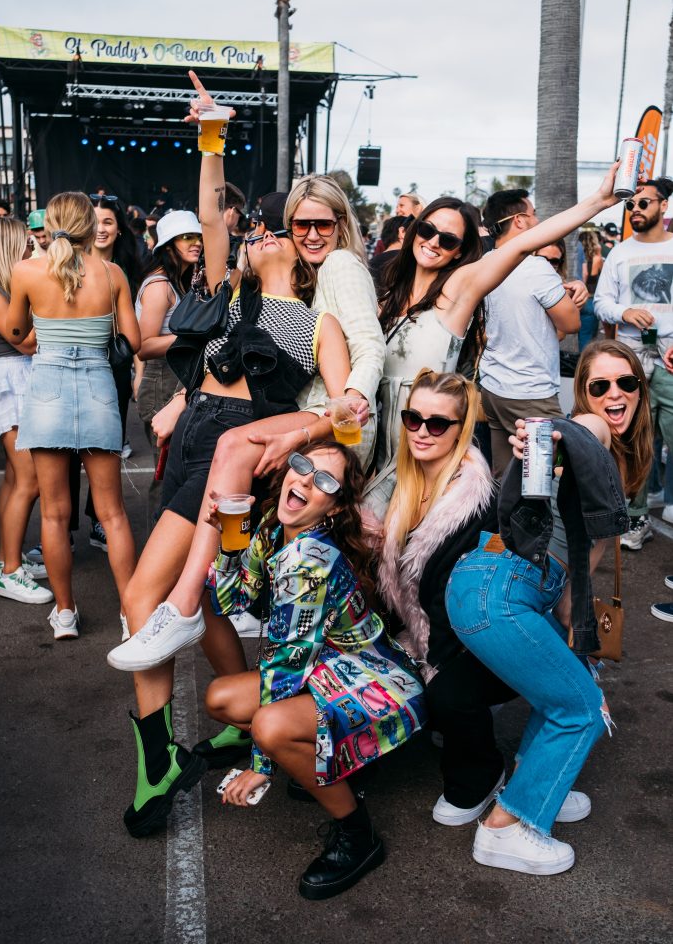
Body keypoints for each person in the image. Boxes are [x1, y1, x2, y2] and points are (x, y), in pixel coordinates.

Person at [105, 115, 354, 830]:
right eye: (259, 230)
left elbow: (340, 412)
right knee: (207, 603)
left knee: (144, 597)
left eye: (270, 231)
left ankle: (158, 762)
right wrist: (210, 137)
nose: (258, 236)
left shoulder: (314, 322)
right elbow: (213, 210)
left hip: (236, 453)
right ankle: (242, 715)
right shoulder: (230, 292)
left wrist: (305, 432)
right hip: (189, 440)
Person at [445, 339, 653, 875]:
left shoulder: (621, 463)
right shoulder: (591, 429)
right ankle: (505, 829)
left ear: (640, 390)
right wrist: (545, 437)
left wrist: (576, 623)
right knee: (582, 709)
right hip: (504, 584)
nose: (613, 394)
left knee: (569, 678)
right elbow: (576, 430)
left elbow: (588, 553)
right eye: (598, 384)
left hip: (501, 582)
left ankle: (539, 785)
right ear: (581, 391)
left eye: (625, 383)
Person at [205, 442, 426, 899]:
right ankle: (332, 766)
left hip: (378, 680)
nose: (304, 481)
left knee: (269, 728)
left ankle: (358, 835)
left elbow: (286, 667)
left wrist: (261, 764)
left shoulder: (310, 561)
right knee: (220, 699)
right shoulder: (270, 525)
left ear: (335, 505)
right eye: (302, 466)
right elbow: (231, 601)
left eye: (324, 481)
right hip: (325, 667)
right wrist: (228, 547)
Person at [364, 165, 621, 518]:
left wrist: (599, 201)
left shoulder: (459, 288)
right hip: (376, 445)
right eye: (427, 229)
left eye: (449, 239)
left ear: (459, 251)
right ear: (414, 230)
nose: (434, 242)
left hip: (428, 444)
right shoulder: (390, 290)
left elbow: (524, 245)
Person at [377, 369, 518, 825]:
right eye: (413, 418)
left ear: (461, 431)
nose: (421, 431)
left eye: (437, 424)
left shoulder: (476, 503)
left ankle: (484, 770)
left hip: (479, 636)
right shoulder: (406, 484)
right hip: (425, 630)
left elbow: (462, 601)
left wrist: (431, 670)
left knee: (448, 694)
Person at [6, 192, 140, 640]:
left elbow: (15, 330)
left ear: (51, 224)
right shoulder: (112, 272)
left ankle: (65, 613)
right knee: (114, 514)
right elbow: (133, 340)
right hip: (99, 388)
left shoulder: (26, 271)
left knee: (55, 514)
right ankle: (130, 615)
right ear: (88, 226)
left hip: (47, 390)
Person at [478, 189, 584, 477]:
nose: (538, 219)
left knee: (505, 476)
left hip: (493, 389)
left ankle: (505, 524)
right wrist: (573, 296)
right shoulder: (536, 267)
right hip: (531, 394)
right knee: (549, 476)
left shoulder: (486, 262)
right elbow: (572, 324)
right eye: (534, 213)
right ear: (520, 220)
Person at [594, 176, 673, 542]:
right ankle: (638, 518)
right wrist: (625, 312)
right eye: (631, 204)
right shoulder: (620, 252)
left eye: (644, 203)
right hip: (632, 359)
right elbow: (601, 303)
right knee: (635, 440)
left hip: (671, 361)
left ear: (664, 206)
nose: (636, 209)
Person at [0, 217, 52, 603]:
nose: (32, 249)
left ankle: (6, 560)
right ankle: (9, 570)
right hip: (9, 382)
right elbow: (26, 343)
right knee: (28, 479)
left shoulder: (8, 288)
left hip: (16, 379)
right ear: (10, 247)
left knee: (17, 478)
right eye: (27, 245)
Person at [81, 194, 141, 549]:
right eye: (95, 221)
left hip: (114, 367)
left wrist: (135, 368)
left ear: (119, 229)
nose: (101, 228)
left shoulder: (130, 268)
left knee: (107, 449)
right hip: (73, 364)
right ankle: (63, 530)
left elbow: (136, 332)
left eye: (108, 222)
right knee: (65, 452)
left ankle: (99, 521)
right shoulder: (68, 263)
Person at [135, 210, 201, 530]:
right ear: (169, 245)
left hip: (177, 384)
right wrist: (192, 336)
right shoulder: (159, 285)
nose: (197, 242)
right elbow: (144, 345)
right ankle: (155, 559)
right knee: (165, 477)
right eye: (187, 237)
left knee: (179, 473)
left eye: (198, 236)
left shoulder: (181, 281)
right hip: (162, 385)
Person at [578, 228, 603, 352]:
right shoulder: (597, 259)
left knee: (583, 335)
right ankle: (585, 367)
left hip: (578, 297)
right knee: (590, 338)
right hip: (591, 299)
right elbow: (601, 276)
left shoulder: (577, 258)